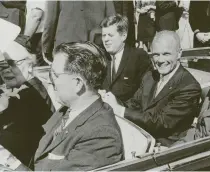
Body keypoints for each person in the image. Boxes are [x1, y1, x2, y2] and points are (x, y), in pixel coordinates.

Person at [0, 42, 124, 171]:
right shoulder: (68, 110)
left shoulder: (101, 136)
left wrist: (9, 160)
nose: (50, 80)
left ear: (77, 83)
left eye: (55, 75)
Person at [101, 31, 202, 147]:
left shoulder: (188, 86)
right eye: (156, 54)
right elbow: (133, 105)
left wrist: (119, 109)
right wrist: (109, 100)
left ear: (179, 53)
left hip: (168, 148)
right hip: (141, 138)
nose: (160, 60)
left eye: (166, 54)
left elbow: (161, 122)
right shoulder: (151, 77)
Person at [0, 38, 53, 168]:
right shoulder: (28, 88)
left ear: (29, 64)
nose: (5, 70)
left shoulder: (31, 95)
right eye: (1, 65)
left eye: (11, 64)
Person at [42, 1, 116, 61]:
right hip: (95, 47)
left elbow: (50, 21)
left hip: (67, 47)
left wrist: (46, 48)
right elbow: (112, 19)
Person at [101, 14, 151, 103]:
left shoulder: (138, 57)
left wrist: (120, 108)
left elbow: (146, 92)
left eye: (110, 35)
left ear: (123, 35)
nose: (106, 39)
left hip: (127, 113)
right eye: (103, 35)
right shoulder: (100, 58)